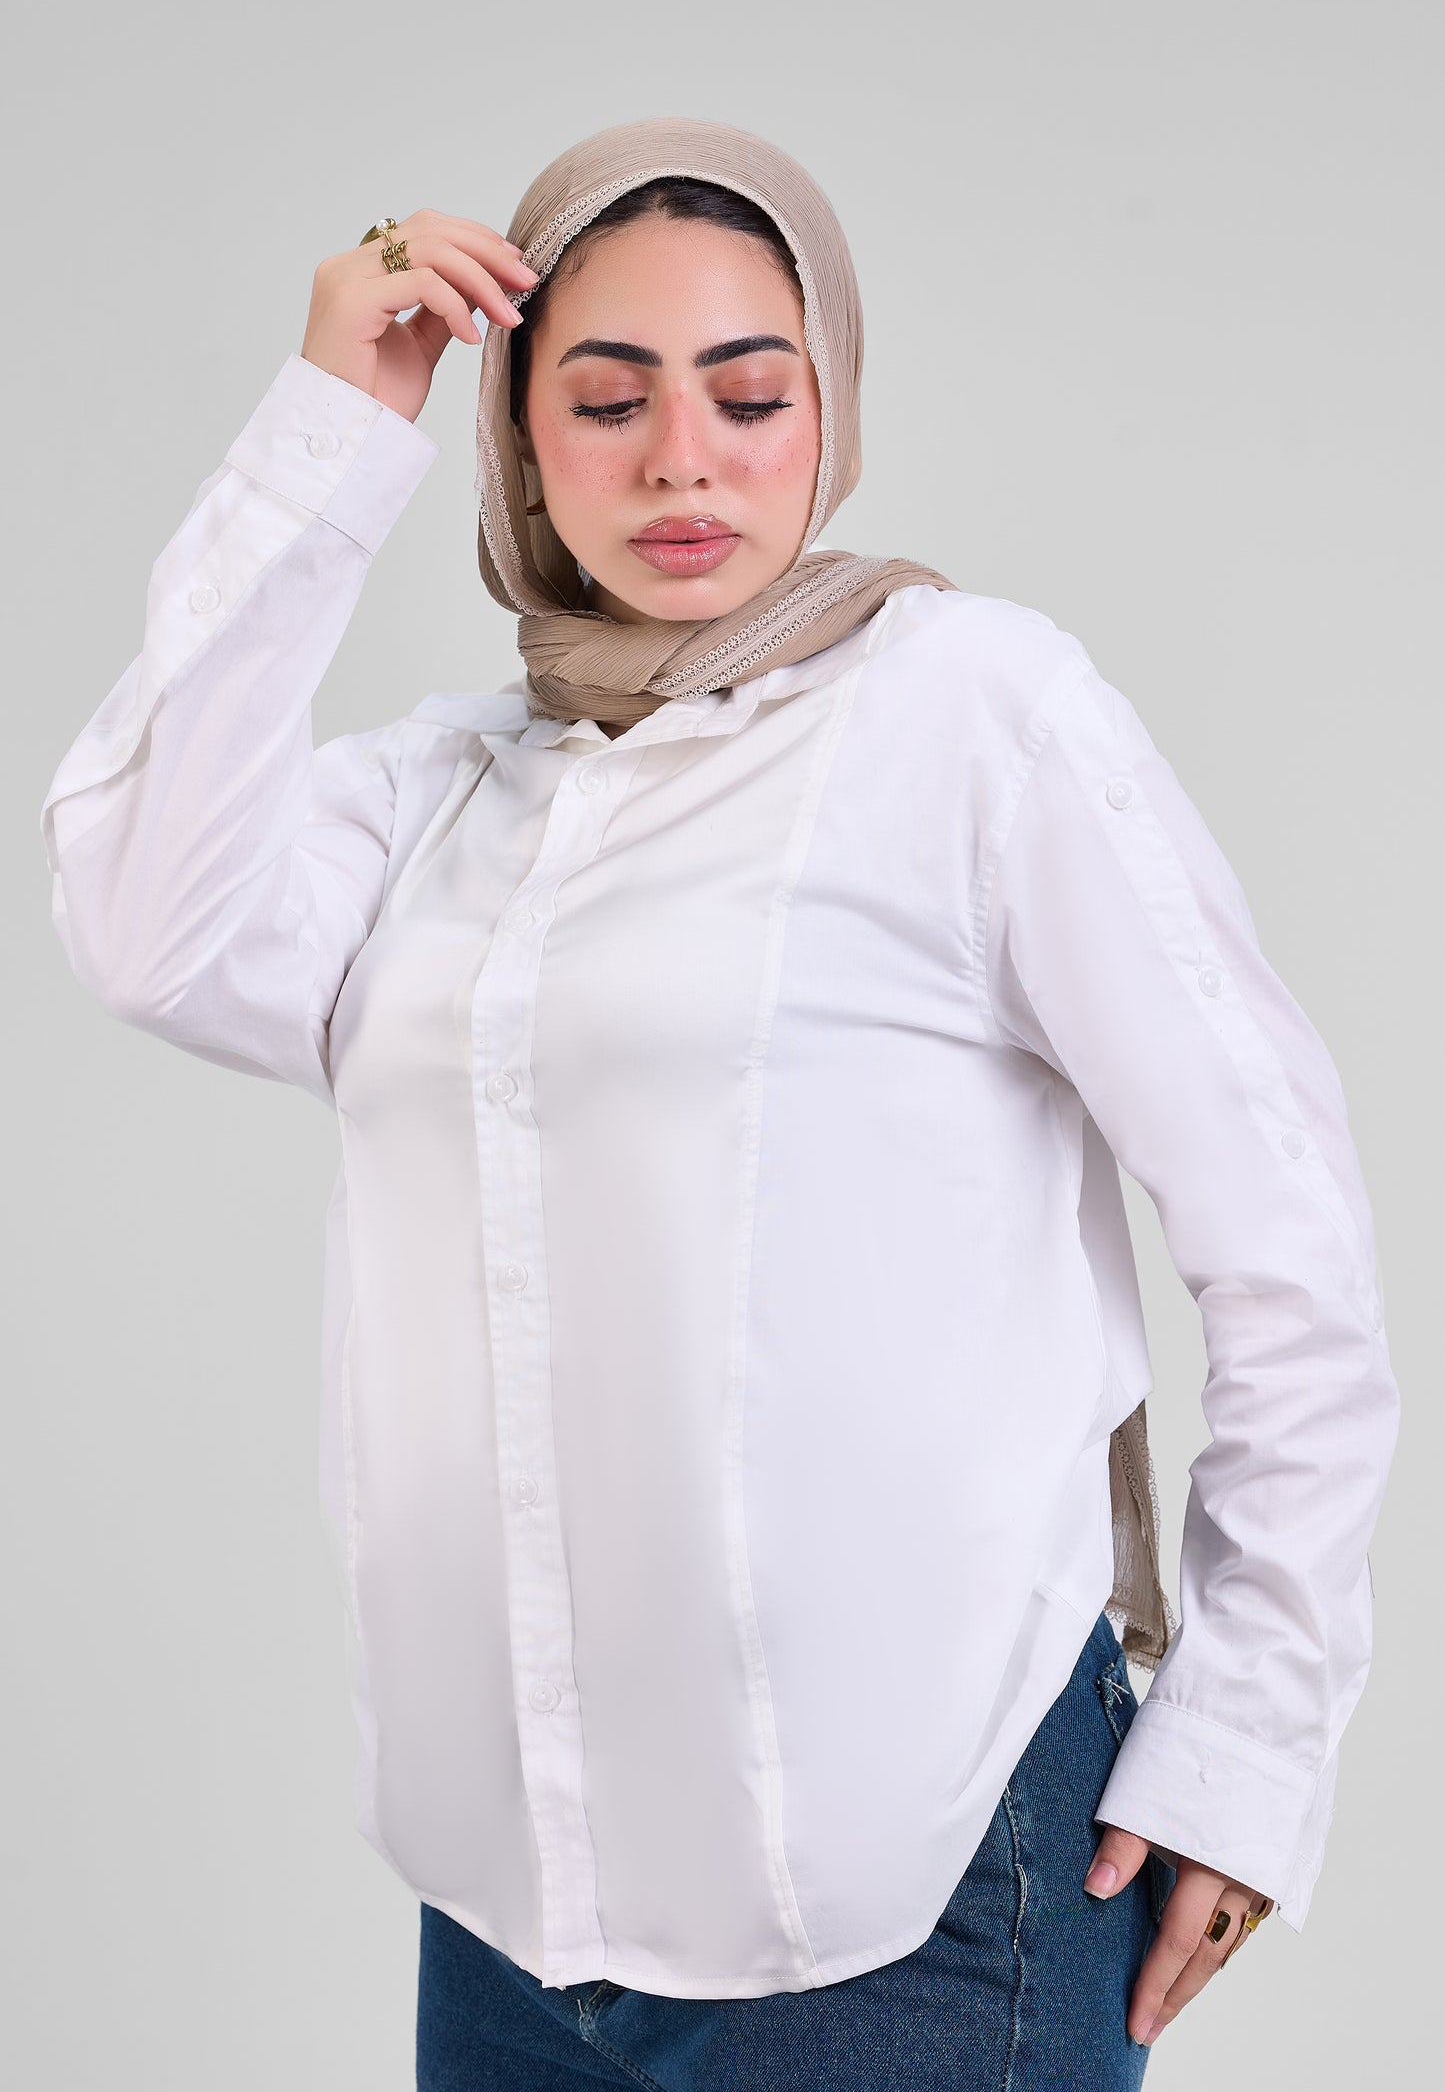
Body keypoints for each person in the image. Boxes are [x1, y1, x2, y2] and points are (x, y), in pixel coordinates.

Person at [40, 118, 1400, 2089]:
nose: (683, 459)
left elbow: (1285, 1232)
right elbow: (145, 924)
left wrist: (1250, 1741)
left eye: (749, 396)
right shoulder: (442, 791)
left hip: (918, 1899)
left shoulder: (973, 715)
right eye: (607, 401)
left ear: (825, 410)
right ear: (519, 443)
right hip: (506, 1919)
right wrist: (334, 420)